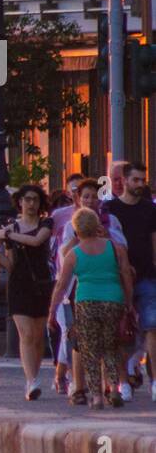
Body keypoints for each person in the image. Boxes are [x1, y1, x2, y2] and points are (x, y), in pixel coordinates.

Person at [49, 208, 134, 409]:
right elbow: (127, 276)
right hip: (113, 300)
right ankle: (114, 388)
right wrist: (129, 302)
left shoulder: (74, 254)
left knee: (89, 350)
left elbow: (61, 285)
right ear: (97, 225)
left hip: (86, 301)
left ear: (76, 229)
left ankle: (96, 395)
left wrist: (52, 310)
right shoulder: (114, 248)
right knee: (111, 346)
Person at [0, 185, 53, 400]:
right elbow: (10, 262)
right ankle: (31, 380)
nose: (31, 204)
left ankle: (35, 374)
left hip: (41, 283)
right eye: (27, 200)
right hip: (18, 284)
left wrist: (11, 235)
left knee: (37, 335)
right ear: (20, 202)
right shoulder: (12, 228)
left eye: (35, 200)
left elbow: (36, 241)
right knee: (25, 333)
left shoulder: (45, 223)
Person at [104, 162, 156, 399]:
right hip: (118, 276)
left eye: (142, 180)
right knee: (121, 330)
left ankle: (154, 380)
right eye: (135, 180)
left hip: (146, 275)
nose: (140, 184)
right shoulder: (110, 209)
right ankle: (123, 381)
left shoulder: (150, 209)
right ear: (123, 180)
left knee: (152, 326)